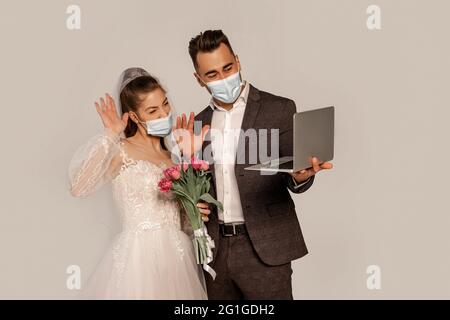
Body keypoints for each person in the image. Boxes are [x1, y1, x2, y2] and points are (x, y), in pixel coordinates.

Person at [174, 30, 333, 299]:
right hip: (215, 252)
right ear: (199, 79)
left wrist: (301, 175)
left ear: (238, 61)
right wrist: (188, 168)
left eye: (228, 67)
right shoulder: (198, 124)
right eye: (212, 74)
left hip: (265, 248)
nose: (224, 78)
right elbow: (195, 188)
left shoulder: (279, 109)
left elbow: (293, 174)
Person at [68, 67, 210, 299]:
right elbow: (79, 187)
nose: (164, 114)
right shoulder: (121, 150)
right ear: (134, 116)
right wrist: (110, 135)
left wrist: (194, 208)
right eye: (153, 110)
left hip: (177, 257)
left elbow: (183, 220)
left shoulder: (172, 157)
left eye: (165, 104)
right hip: (138, 258)